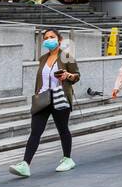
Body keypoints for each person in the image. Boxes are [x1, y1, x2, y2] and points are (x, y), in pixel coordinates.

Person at [10, 29, 80, 178]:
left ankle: (67, 158)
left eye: (52, 37)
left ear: (59, 40)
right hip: (42, 97)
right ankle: (25, 164)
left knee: (63, 129)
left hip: (59, 96)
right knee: (35, 131)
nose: (49, 39)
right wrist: (37, 93)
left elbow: (77, 76)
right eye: (46, 38)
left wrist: (68, 75)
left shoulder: (66, 56)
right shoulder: (42, 58)